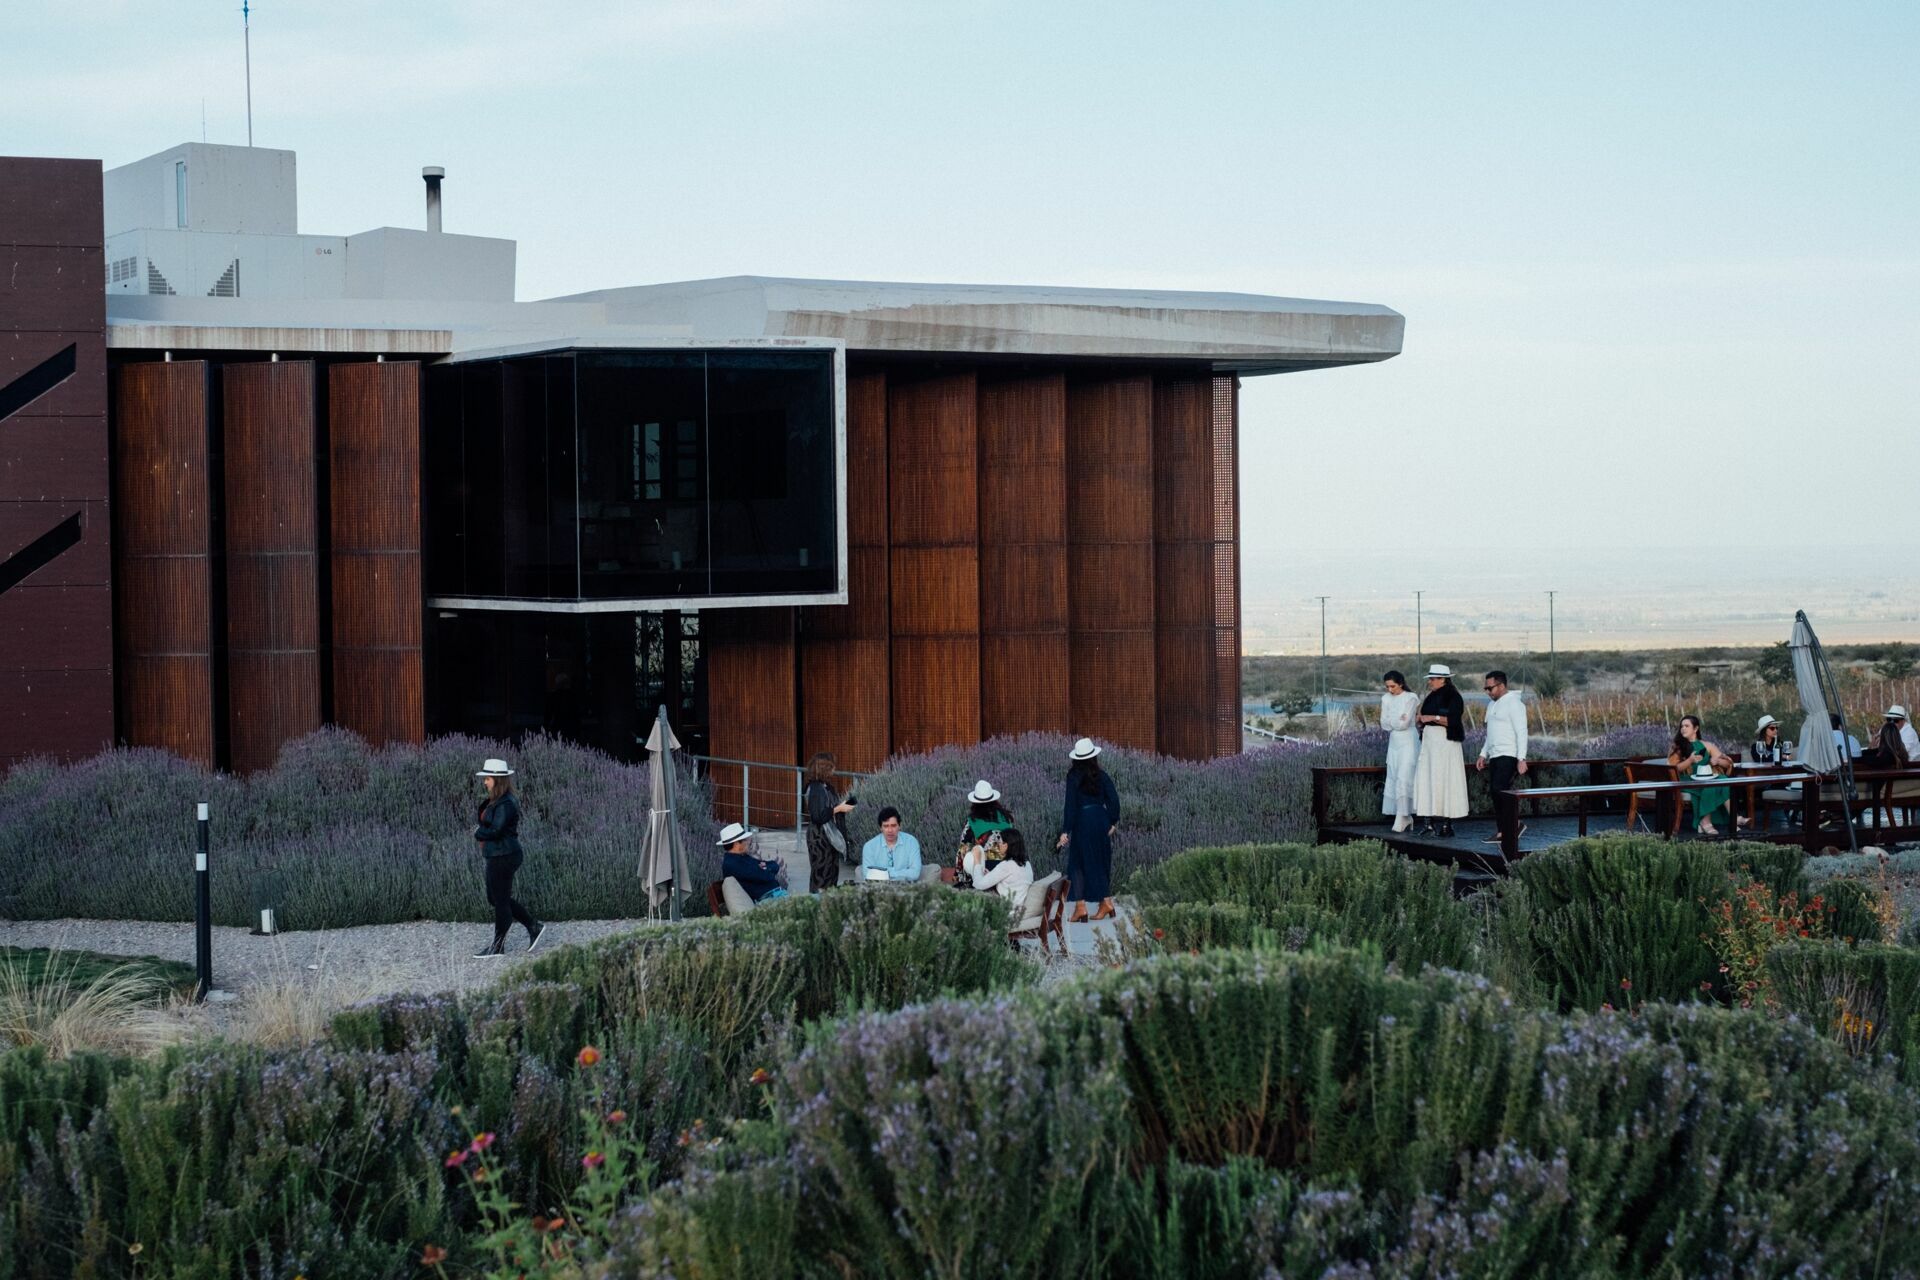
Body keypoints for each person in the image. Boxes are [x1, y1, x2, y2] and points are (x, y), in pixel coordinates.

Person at [471, 758, 545, 958]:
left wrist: (478, 832)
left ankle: (498, 946)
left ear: (497, 780)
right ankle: (533, 926)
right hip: (497, 854)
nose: (485, 782)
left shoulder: (506, 803)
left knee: (500, 901)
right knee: (495, 898)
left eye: (487, 778)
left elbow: (496, 831)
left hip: (504, 856)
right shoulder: (497, 801)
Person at [1057, 738, 1121, 922]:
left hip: (1082, 820)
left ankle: (1081, 907)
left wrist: (1065, 830)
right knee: (1100, 860)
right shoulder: (1102, 775)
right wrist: (1112, 822)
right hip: (1100, 819)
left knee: (1077, 863)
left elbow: (1070, 805)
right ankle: (1106, 902)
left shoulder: (1073, 776)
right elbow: (1114, 800)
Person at [1410, 664, 1468, 838]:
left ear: (1443, 679)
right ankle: (1428, 823)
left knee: (1445, 779)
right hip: (1430, 742)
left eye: (1433, 679)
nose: (1430, 682)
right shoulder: (1431, 696)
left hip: (1445, 742)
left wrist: (1432, 718)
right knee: (1428, 778)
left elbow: (1453, 720)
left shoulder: (1454, 697)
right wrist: (1421, 721)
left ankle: (1446, 824)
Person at [1475, 670, 1529, 846]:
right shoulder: (1492, 705)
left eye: (1490, 688)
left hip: (1509, 754)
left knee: (1500, 790)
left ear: (1502, 685)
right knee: (1495, 792)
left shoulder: (1514, 704)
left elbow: (1522, 731)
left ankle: (1513, 826)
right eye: (1486, 689)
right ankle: (1503, 831)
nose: (1488, 692)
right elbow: (1490, 734)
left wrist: (1521, 758)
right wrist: (1483, 753)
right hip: (1495, 755)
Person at [1669, 715, 1740, 836]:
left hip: (1704, 779)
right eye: (1682, 726)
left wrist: (1717, 761)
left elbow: (1727, 763)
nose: (1683, 729)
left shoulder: (1707, 745)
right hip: (1684, 780)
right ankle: (1707, 821)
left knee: (1723, 780)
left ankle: (1733, 817)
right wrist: (1690, 760)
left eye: (1687, 726)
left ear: (1696, 729)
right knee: (1710, 785)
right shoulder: (1678, 746)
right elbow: (1673, 769)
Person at [802, 752, 856, 894]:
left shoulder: (826, 787)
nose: (834, 769)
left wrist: (843, 806)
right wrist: (838, 808)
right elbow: (818, 816)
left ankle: (827, 903)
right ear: (824, 768)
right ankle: (817, 904)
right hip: (819, 837)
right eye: (832, 766)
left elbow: (827, 810)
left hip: (828, 836)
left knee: (831, 874)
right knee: (821, 875)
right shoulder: (815, 788)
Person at [1379, 670, 1421, 833]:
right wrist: (1396, 720)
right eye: (1387, 687)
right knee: (1395, 775)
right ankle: (1404, 815)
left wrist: (1394, 721)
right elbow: (1384, 724)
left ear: (1401, 684)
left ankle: (1403, 816)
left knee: (1405, 776)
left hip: (1408, 741)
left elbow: (1404, 723)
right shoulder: (1385, 698)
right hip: (1394, 742)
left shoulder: (1411, 698)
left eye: (1393, 686)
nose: (1390, 690)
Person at [954, 780, 1016, 880]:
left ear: (975, 802)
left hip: (987, 869)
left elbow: (963, 848)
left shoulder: (972, 820)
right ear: (994, 799)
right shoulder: (1006, 817)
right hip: (1009, 868)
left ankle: (966, 881)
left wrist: (959, 876)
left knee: (968, 851)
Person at [718, 822, 788, 903]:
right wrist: (765, 868)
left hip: (775, 896)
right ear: (737, 844)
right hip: (768, 900)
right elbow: (767, 876)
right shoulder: (733, 864)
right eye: (745, 840)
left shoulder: (742, 857)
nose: (748, 842)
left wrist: (765, 868)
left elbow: (774, 865)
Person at [972, 827, 1034, 911]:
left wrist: (977, 860)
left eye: (1000, 843)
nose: (998, 846)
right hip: (1019, 909)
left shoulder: (1006, 865)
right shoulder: (1027, 864)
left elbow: (978, 885)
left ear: (1006, 845)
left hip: (1008, 912)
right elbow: (1013, 883)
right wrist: (990, 875)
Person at [860, 806, 923, 882]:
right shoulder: (869, 847)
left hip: (906, 886)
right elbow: (868, 874)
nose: (890, 830)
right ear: (881, 828)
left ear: (899, 826)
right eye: (886, 826)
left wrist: (887, 874)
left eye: (893, 825)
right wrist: (902, 873)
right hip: (879, 887)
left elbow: (915, 873)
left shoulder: (911, 842)